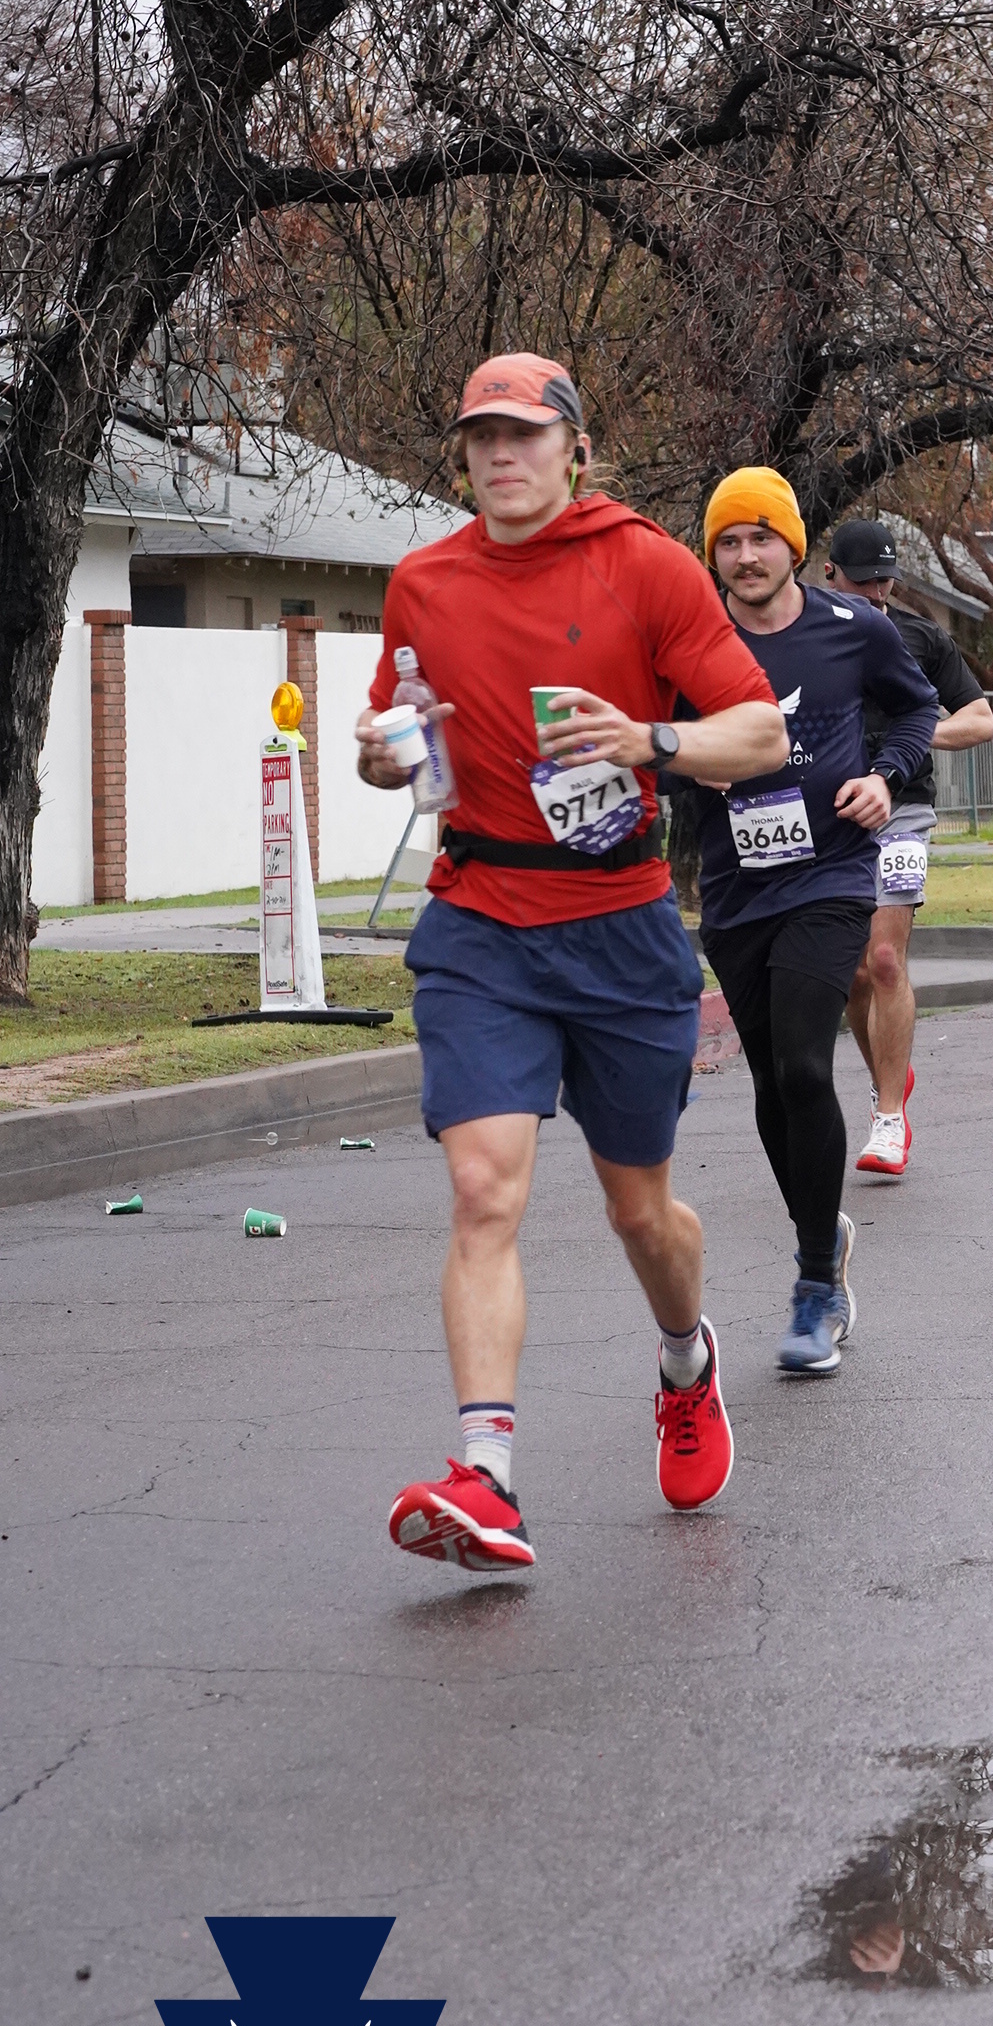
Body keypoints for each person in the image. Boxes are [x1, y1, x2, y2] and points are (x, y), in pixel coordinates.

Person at [356, 355, 789, 1575]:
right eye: (482, 436)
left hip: (619, 924)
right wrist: (385, 757)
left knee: (638, 1209)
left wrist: (650, 736)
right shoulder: (423, 582)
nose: (502, 454)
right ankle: (486, 1475)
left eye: (526, 434)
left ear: (576, 450)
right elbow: (395, 739)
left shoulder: (643, 563)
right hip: (480, 919)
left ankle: (686, 1360)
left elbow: (760, 731)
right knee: (482, 1188)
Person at [682, 469, 939, 1372]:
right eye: (728, 542)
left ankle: (815, 1283)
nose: (746, 556)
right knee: (770, 1084)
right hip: (736, 886)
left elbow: (917, 708)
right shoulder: (691, 635)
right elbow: (652, 736)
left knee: (802, 1062)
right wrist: (691, 762)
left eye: (762, 537)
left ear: (793, 545)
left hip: (830, 875)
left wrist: (885, 777)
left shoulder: (853, 626)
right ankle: (821, 1231)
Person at [817, 517, 993, 1180]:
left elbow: (980, 720)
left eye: (885, 582)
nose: (876, 593)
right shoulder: (803, 633)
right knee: (853, 975)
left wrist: (918, 733)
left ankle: (889, 1117)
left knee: (886, 958)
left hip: (902, 810)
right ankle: (888, 1072)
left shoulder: (920, 637)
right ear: (829, 574)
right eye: (862, 582)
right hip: (827, 815)